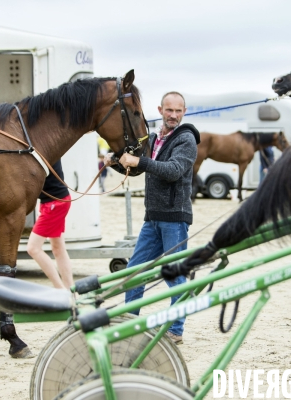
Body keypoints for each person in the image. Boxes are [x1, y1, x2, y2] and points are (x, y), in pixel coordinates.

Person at [104, 91, 199, 345]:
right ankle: (129, 324)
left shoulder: (187, 139)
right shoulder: (155, 138)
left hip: (175, 219)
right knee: (134, 272)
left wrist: (141, 161)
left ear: (184, 112)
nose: (174, 115)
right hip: (153, 219)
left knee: (175, 275)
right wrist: (114, 162)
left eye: (179, 111)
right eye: (169, 110)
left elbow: (173, 171)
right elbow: (139, 168)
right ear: (160, 110)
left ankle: (176, 331)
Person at [26, 160, 74, 289]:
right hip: (56, 200)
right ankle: (71, 291)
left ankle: (60, 290)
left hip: (55, 203)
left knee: (33, 248)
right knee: (58, 248)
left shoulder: (39, 147)